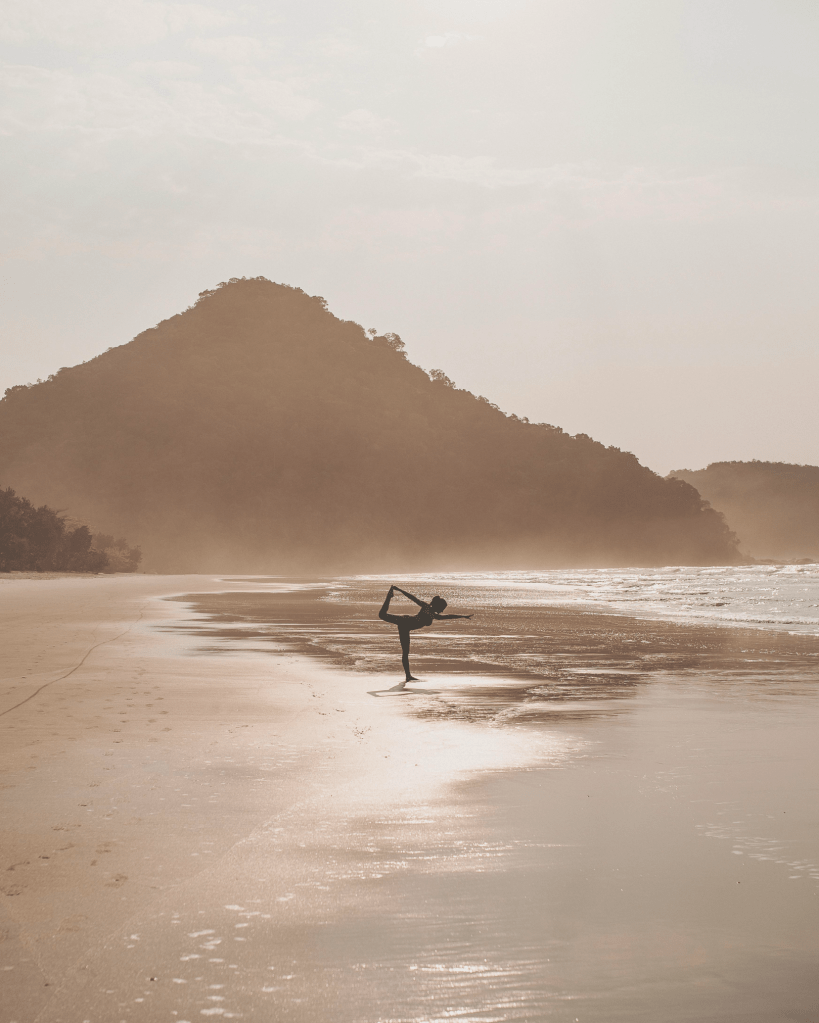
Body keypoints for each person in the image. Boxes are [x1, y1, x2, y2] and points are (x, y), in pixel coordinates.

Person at [378, 585, 472, 684]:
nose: (442, 611)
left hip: (405, 627)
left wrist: (462, 616)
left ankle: (408, 676)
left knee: (405, 652)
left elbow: (447, 617)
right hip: (404, 621)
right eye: (442, 608)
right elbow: (412, 598)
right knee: (382, 615)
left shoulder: (433, 614)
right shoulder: (427, 608)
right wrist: (400, 590)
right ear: (438, 606)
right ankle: (389, 596)